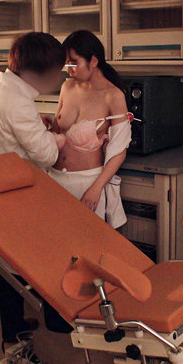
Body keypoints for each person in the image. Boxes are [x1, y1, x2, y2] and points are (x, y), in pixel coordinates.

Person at [0, 32, 71, 344]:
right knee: (41, 259)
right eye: (56, 73)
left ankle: (13, 326)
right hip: (16, 196)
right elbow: (48, 155)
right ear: (39, 74)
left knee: (5, 264)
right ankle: (50, 323)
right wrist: (57, 138)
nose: (57, 80)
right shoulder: (18, 102)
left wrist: (31, 125)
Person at [47, 30, 130, 228]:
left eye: (74, 63)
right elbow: (57, 131)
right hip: (55, 180)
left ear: (93, 61)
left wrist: (96, 188)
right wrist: (45, 128)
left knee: (87, 242)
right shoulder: (67, 88)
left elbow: (120, 150)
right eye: (67, 64)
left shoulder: (113, 96)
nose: (69, 70)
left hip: (87, 184)